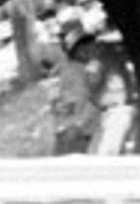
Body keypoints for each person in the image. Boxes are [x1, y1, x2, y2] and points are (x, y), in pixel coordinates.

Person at [55, 21, 136, 155]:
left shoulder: (95, 62)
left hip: (116, 113)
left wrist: (78, 124)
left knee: (102, 161)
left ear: (82, 49)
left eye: (77, 54)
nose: (80, 58)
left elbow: (91, 95)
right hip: (111, 113)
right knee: (94, 157)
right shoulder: (107, 53)